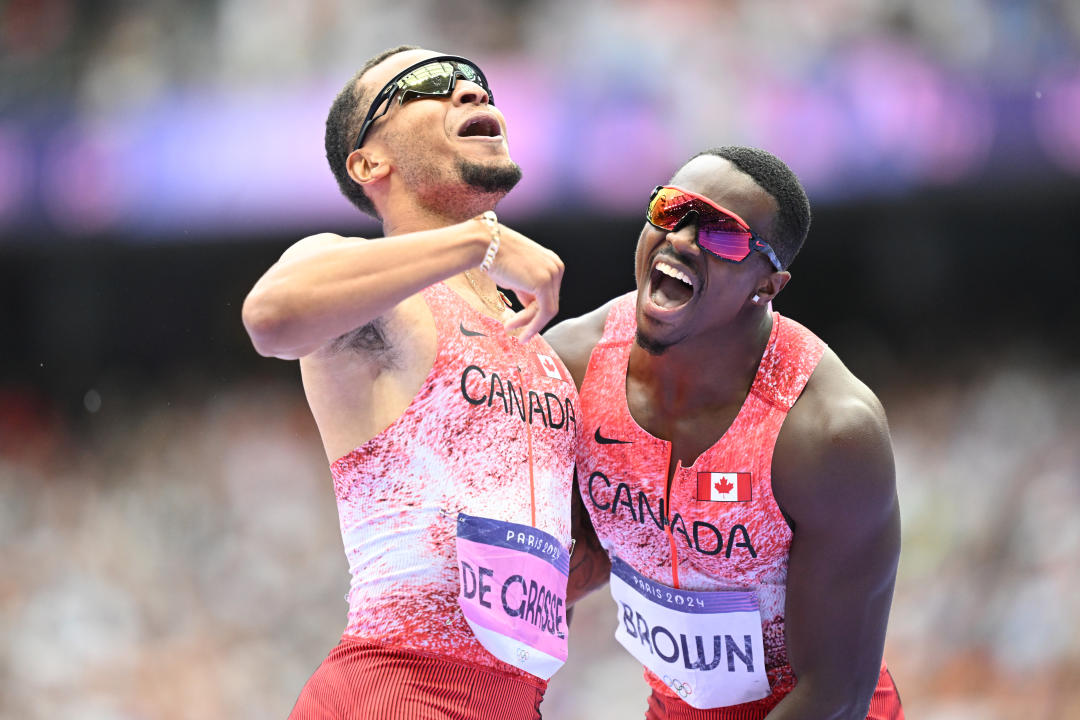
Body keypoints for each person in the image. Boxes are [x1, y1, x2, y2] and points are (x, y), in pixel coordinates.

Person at [242, 46, 579, 720]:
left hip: (516, 702)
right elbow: (270, 318)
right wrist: (475, 242)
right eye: (429, 85)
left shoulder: (538, 347)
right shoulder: (366, 287)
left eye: (477, 82)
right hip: (397, 692)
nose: (467, 92)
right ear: (369, 162)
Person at [548, 147, 904, 719]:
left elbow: (837, 690)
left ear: (767, 286)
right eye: (671, 210)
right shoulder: (572, 367)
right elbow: (572, 560)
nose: (683, 240)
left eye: (724, 235)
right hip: (674, 707)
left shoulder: (828, 432)